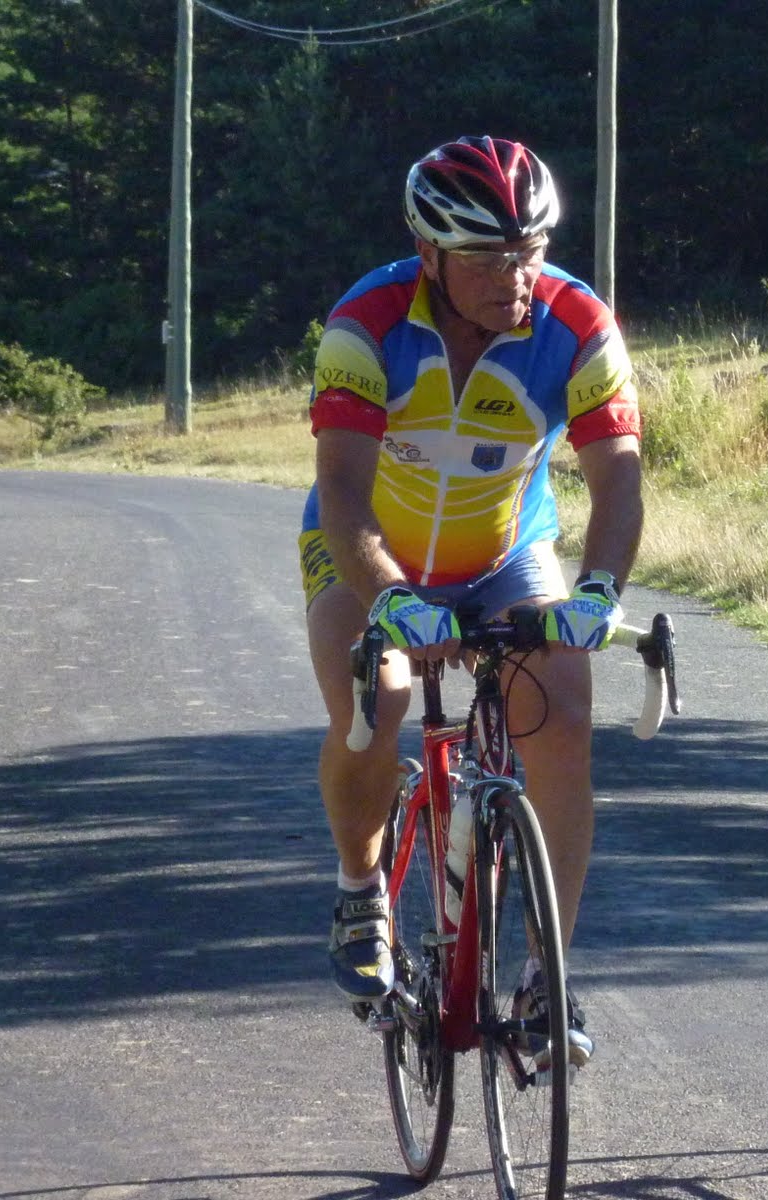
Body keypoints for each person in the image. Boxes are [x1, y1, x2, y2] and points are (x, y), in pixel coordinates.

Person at [298, 135, 643, 1068]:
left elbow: (618, 481)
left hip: (505, 552)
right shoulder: (365, 324)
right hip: (369, 548)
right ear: (430, 254)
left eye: (529, 251)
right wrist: (392, 597)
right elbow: (342, 493)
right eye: (489, 259)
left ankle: (546, 979)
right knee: (379, 703)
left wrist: (600, 590)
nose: (515, 277)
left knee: (563, 715)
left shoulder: (577, 323)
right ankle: (361, 890)